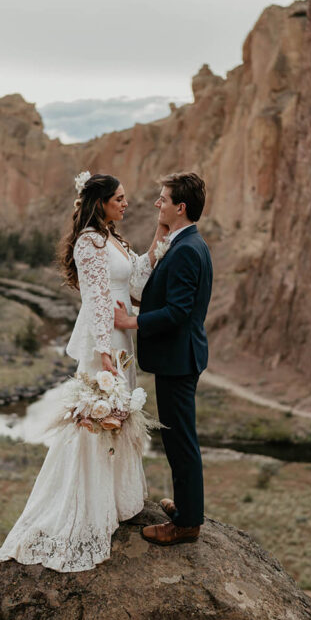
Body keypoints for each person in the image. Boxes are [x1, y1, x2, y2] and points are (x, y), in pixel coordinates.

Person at [0, 172, 168, 572]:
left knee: (118, 419)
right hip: (103, 341)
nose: (126, 204)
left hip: (121, 339)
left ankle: (117, 500)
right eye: (119, 199)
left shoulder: (114, 239)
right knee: (96, 419)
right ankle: (87, 507)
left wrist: (160, 232)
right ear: (101, 201)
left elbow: (138, 277)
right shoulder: (89, 242)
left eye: (125, 199)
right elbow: (97, 295)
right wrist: (104, 351)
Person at [114, 172, 212, 546]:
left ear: (180, 207)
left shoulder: (187, 249)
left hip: (179, 359)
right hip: (179, 357)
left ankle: (187, 524)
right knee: (178, 438)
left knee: (181, 442)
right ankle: (187, 508)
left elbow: (178, 312)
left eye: (163, 199)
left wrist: (130, 322)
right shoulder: (186, 242)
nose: (158, 203)